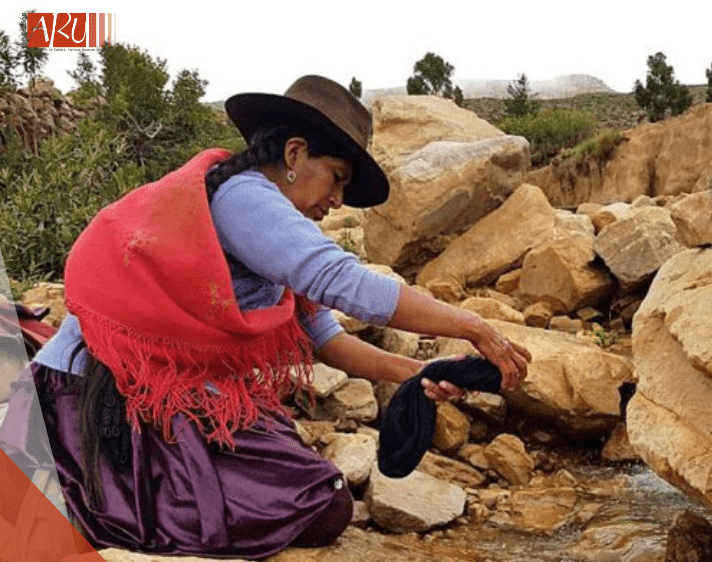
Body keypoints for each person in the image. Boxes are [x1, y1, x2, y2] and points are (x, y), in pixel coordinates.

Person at [1, 75, 531, 558]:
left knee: (313, 496)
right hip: (100, 400)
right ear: (296, 153)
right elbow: (343, 283)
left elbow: (321, 336)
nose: (338, 200)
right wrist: (473, 325)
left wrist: (415, 374)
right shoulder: (243, 198)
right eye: (337, 177)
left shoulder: (272, 218)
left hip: (155, 393)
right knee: (318, 502)